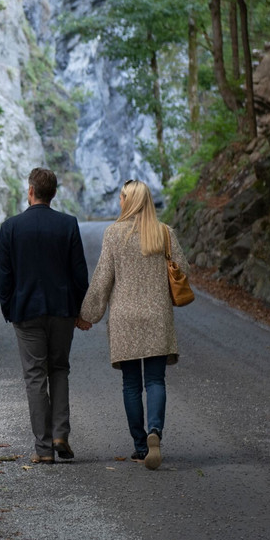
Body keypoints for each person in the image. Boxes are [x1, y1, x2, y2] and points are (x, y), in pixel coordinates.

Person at [79, 180, 190, 471]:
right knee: (155, 381)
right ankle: (155, 432)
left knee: (131, 384)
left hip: (125, 319)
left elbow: (103, 279)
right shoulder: (163, 232)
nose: (119, 202)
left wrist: (88, 314)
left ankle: (141, 447)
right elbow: (183, 270)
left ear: (129, 201)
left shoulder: (113, 234)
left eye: (121, 198)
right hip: (157, 316)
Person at [0, 167, 91, 464]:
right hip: (62, 309)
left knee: (35, 375)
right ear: (53, 193)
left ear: (30, 191)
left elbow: (5, 275)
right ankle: (61, 432)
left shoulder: (11, 227)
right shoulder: (68, 225)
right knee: (59, 369)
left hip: (26, 311)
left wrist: (8, 308)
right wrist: (80, 310)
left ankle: (44, 447)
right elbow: (79, 273)